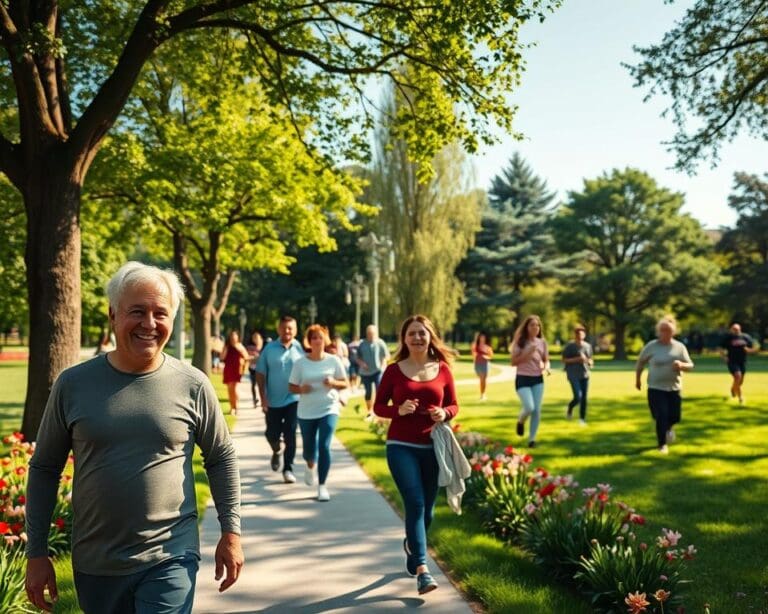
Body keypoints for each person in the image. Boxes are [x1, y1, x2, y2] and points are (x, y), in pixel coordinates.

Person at [24, 261, 243, 614]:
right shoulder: (73, 384)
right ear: (113, 315)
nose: (150, 324)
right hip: (96, 563)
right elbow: (45, 467)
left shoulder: (193, 384)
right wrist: (37, 552)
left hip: (171, 554)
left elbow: (221, 457)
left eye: (161, 313)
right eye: (137, 312)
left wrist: (230, 531)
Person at [373, 314, 459, 596]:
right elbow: (378, 407)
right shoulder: (394, 371)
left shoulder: (443, 369)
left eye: (422, 333)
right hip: (400, 446)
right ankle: (423, 569)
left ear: (430, 336)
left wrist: (443, 413)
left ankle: (412, 546)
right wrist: (398, 410)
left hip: (433, 447)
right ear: (404, 339)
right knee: (415, 502)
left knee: (428, 511)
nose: (418, 338)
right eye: (412, 333)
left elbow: (454, 405)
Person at [289, 324, 349, 502]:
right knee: (309, 449)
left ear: (325, 340)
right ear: (309, 341)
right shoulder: (300, 363)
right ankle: (309, 465)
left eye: (320, 337)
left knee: (324, 446)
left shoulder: (333, 361)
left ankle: (322, 486)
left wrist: (333, 383)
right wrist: (301, 389)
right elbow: (290, 386)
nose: (317, 341)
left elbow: (345, 383)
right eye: (313, 337)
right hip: (306, 411)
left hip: (328, 408)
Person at [635, 315, 694, 454]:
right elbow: (640, 362)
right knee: (661, 415)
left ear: (673, 332)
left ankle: (669, 428)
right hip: (656, 388)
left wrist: (681, 365)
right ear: (658, 331)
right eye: (662, 330)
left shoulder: (679, 347)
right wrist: (637, 379)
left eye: (668, 330)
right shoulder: (652, 346)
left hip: (674, 388)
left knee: (675, 416)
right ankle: (662, 444)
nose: (665, 333)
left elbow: (691, 366)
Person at [256, 315, 304, 483]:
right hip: (273, 401)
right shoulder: (269, 349)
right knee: (272, 434)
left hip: (294, 399)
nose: (287, 331)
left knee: (291, 433)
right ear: (279, 329)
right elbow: (260, 374)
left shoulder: (300, 349)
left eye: (290, 328)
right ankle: (276, 451)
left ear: (295, 330)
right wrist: (263, 398)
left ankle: (288, 469)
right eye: (284, 327)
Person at [510, 315, 550, 448]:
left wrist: (546, 367)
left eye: (537, 325)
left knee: (537, 410)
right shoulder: (520, 342)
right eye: (532, 325)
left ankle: (532, 439)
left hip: (538, 379)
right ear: (526, 327)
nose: (535, 327)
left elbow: (546, 359)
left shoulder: (542, 342)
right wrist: (527, 352)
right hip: (522, 378)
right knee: (529, 407)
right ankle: (520, 421)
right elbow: (513, 362)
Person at [562, 324, 594, 425]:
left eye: (582, 333)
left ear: (584, 335)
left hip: (585, 374)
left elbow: (591, 360)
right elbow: (564, 360)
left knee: (584, 398)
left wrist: (589, 362)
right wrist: (577, 359)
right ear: (575, 335)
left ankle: (582, 419)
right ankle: (570, 407)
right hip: (572, 374)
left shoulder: (587, 346)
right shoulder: (570, 346)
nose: (580, 335)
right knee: (578, 396)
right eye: (578, 334)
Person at [357, 324, 390, 419]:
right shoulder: (362, 344)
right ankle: (369, 411)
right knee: (368, 392)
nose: (370, 335)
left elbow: (386, 356)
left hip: (377, 371)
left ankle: (378, 410)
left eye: (372, 333)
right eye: (369, 333)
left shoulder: (380, 343)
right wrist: (362, 363)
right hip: (365, 372)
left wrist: (383, 364)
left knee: (379, 390)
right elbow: (358, 358)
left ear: (376, 333)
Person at [720, 322, 758, 404]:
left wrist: (750, 350)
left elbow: (753, 348)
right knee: (738, 376)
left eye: (736, 329)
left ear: (740, 329)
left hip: (742, 361)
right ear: (731, 330)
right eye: (733, 329)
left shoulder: (746, 337)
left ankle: (733, 389)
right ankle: (740, 398)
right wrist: (724, 357)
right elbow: (721, 348)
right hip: (732, 361)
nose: (735, 331)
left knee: (740, 382)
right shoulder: (728, 338)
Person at [221, 330, 250, 415]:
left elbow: (246, 357)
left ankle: (235, 407)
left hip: (237, 370)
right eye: (232, 337)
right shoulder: (227, 346)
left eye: (235, 336)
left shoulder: (240, 346)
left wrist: (239, 349)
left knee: (234, 388)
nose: (233, 338)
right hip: (228, 369)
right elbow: (222, 357)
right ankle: (232, 407)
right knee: (230, 389)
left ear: (237, 338)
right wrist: (226, 349)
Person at [471, 331, 494, 401]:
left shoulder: (487, 347)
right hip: (478, 364)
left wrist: (485, 357)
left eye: (483, 337)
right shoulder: (475, 346)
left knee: (484, 380)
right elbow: (473, 353)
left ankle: (483, 394)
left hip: (485, 364)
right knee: (481, 379)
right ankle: (482, 394)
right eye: (481, 337)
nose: (482, 339)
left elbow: (491, 356)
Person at [246, 331, 264, 408]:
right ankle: (254, 399)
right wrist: (255, 358)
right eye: (254, 338)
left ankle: (263, 399)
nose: (256, 339)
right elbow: (247, 357)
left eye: (257, 338)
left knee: (262, 385)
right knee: (253, 384)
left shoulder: (264, 347)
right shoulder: (250, 347)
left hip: (262, 369)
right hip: (253, 368)